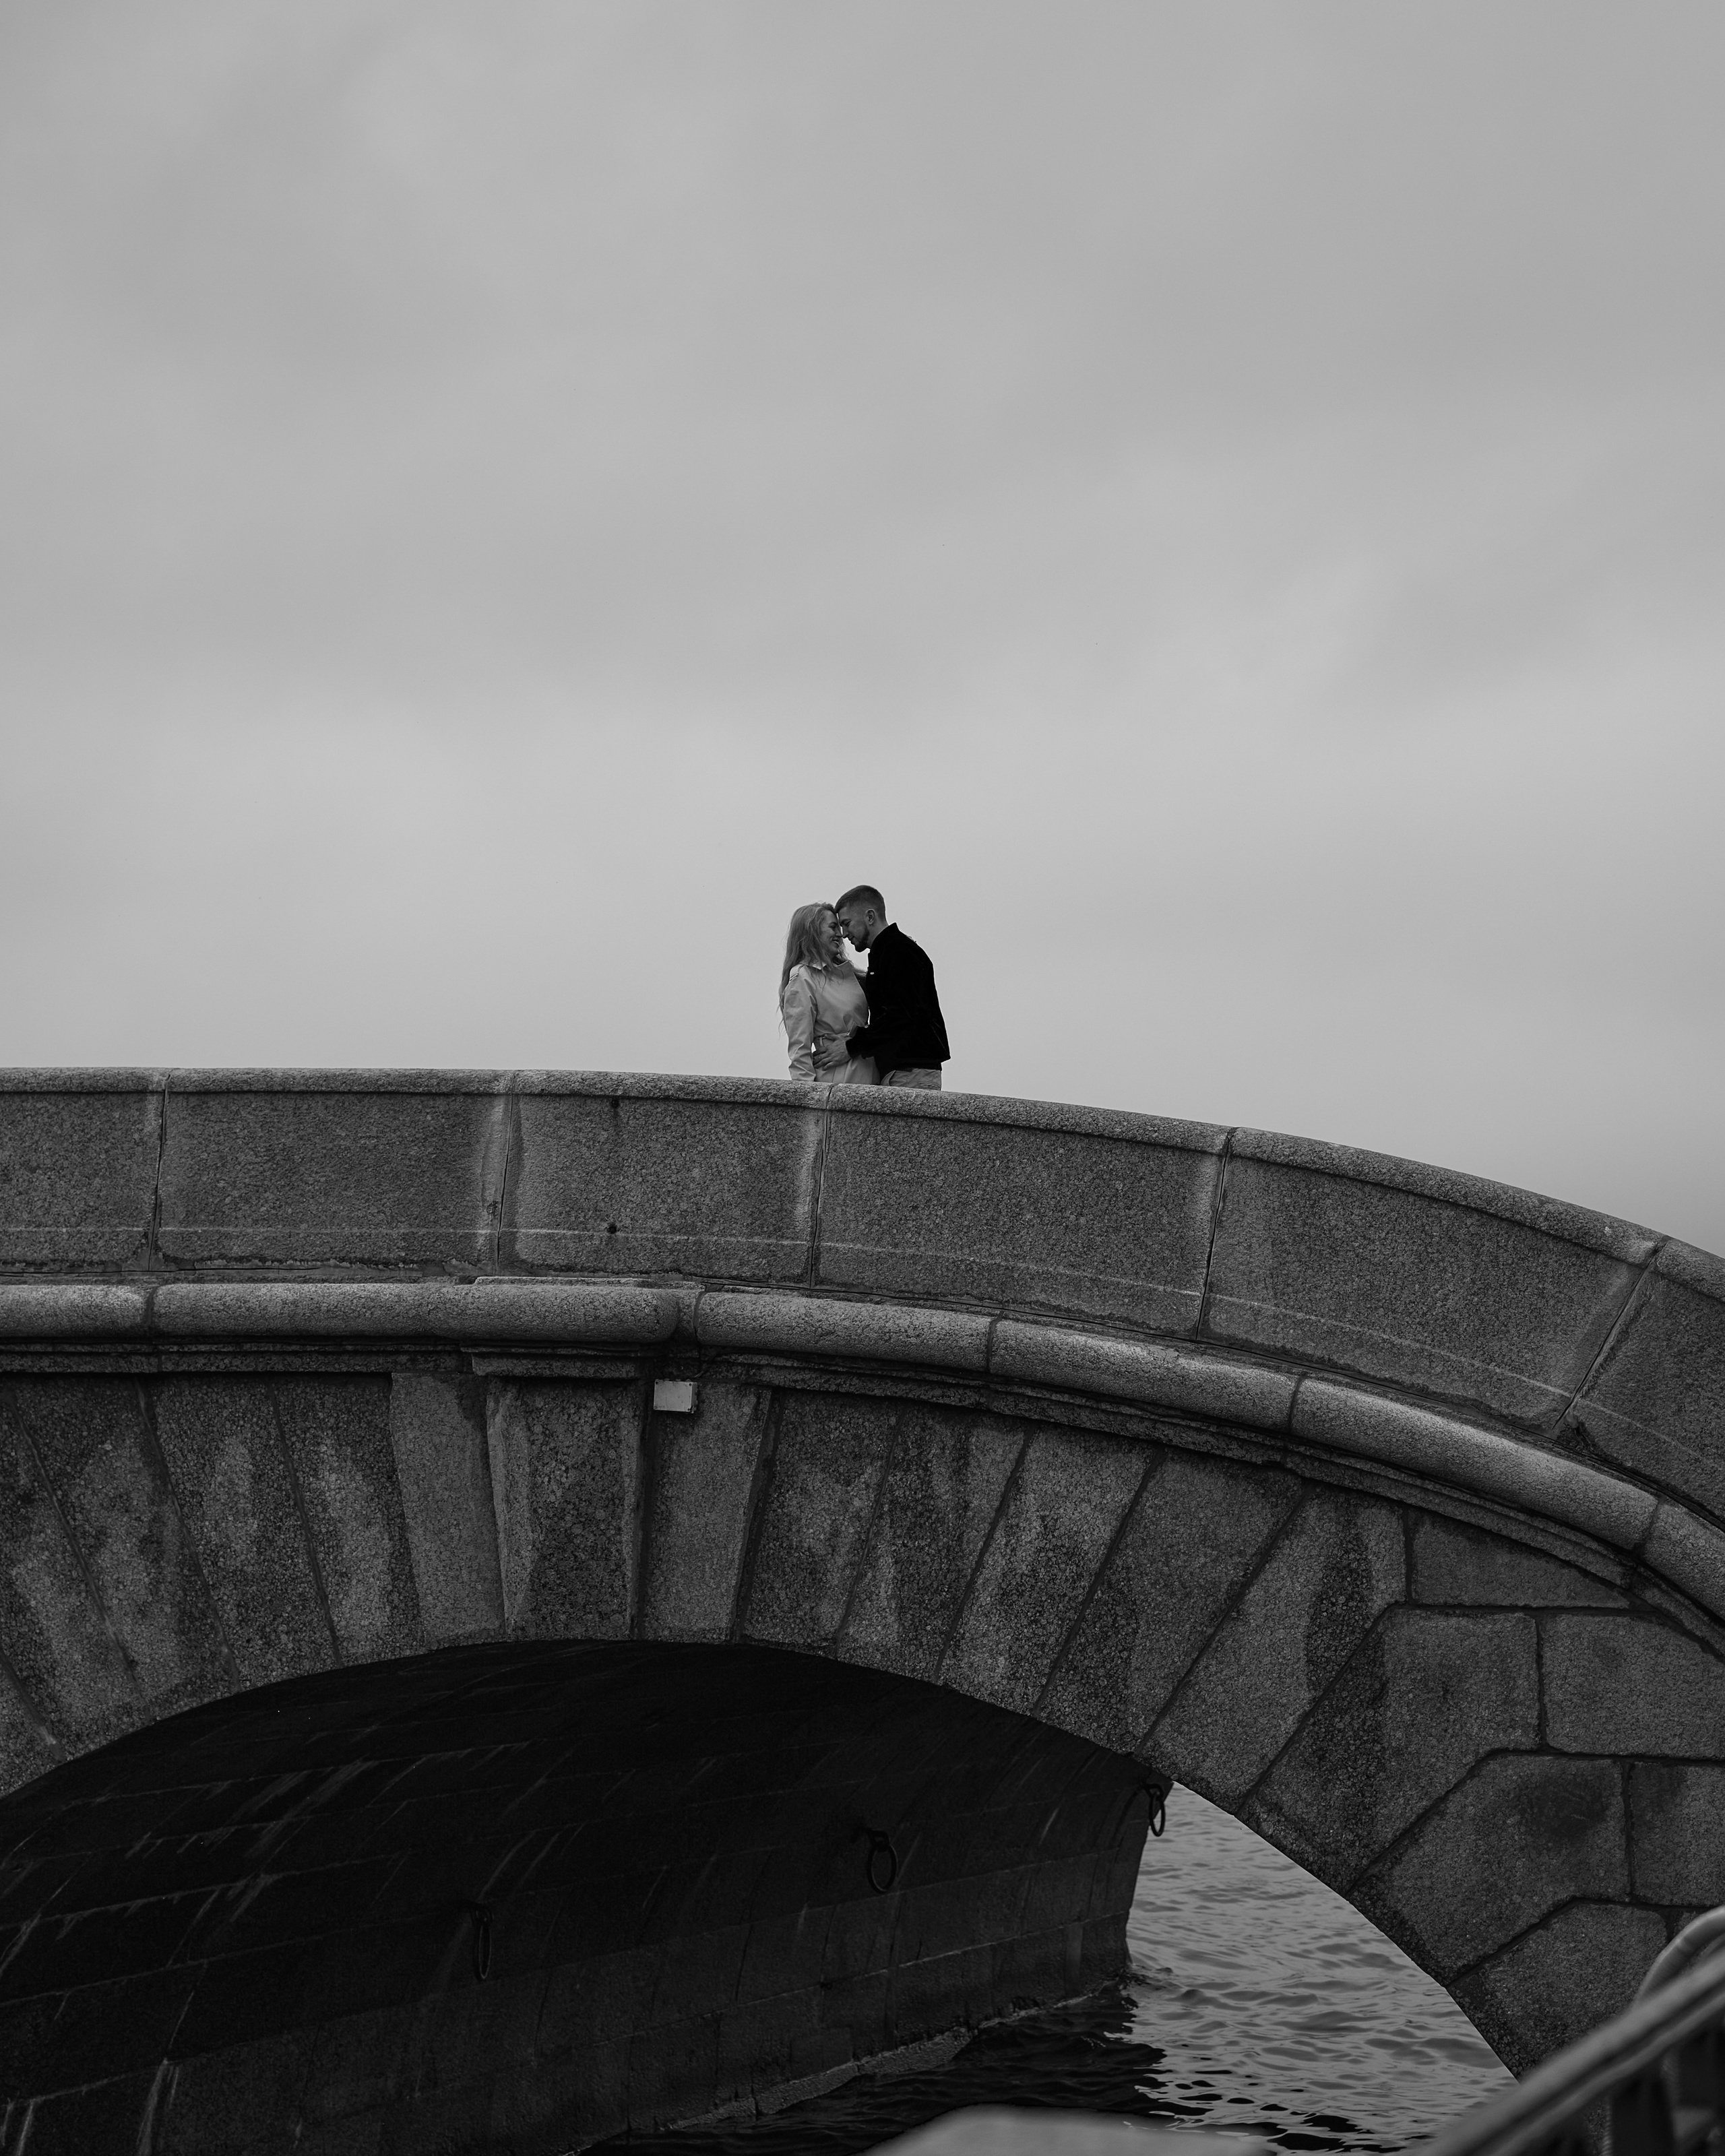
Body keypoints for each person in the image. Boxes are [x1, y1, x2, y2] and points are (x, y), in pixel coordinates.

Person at [833, 885, 949, 1089]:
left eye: (847, 923)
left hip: (909, 1073)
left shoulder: (899, 952)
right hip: (906, 1072)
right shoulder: (891, 952)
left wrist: (851, 1047)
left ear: (870, 917)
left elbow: (899, 1017)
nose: (844, 934)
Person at [779, 903, 879, 1085]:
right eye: (833, 927)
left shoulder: (851, 975)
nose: (840, 934)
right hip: (836, 1081)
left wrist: (899, 947)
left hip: (870, 1077)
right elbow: (799, 1049)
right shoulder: (803, 978)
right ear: (813, 931)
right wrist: (808, 1099)